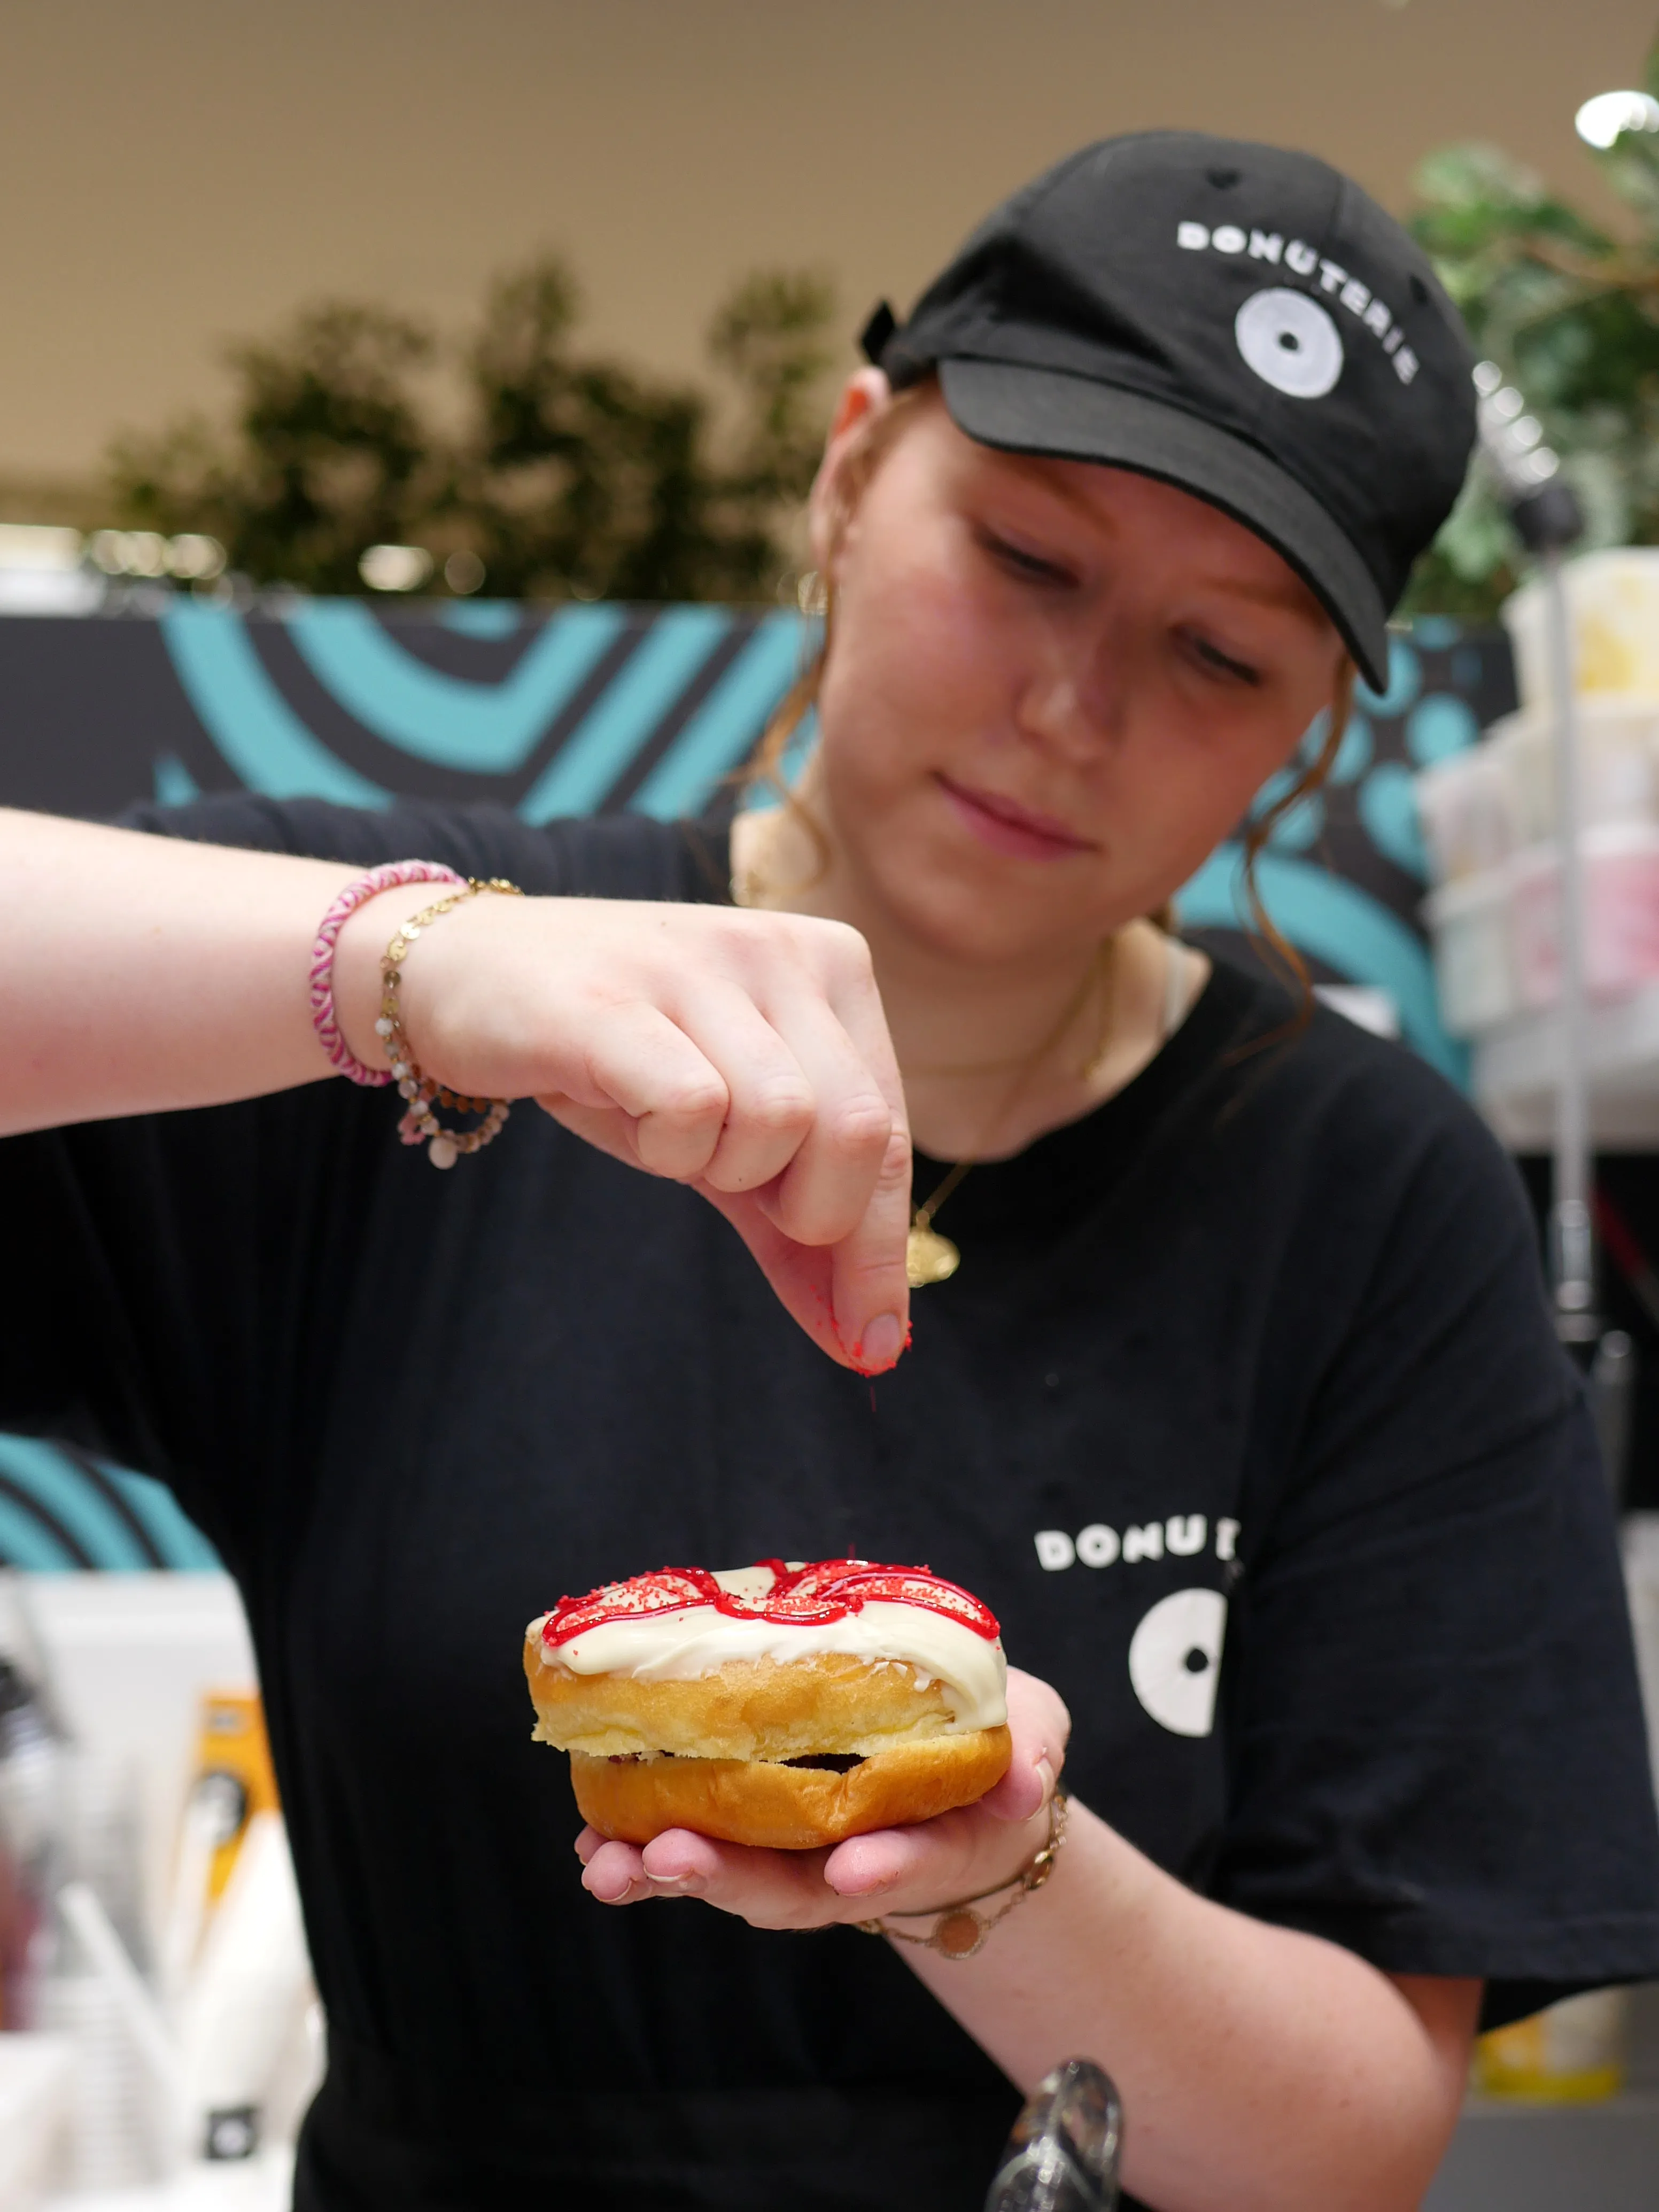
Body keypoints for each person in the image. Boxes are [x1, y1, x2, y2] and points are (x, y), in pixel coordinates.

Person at [3, 130, 1657, 2212]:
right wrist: (410, 962)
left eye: (1216, 656)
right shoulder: (436, 1003)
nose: (1069, 707)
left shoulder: (1363, 1189)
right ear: (854, 465)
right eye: (1026, 561)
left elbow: (1345, 2143)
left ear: (1315, 721)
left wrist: (994, 1864)